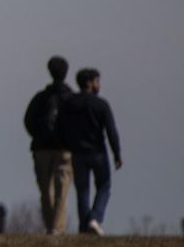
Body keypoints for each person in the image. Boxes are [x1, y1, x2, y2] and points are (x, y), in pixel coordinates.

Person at [58, 68, 122, 236]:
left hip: (77, 152)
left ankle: (84, 225)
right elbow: (111, 130)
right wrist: (117, 153)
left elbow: (61, 126)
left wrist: (66, 144)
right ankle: (95, 218)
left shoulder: (69, 103)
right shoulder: (100, 104)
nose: (98, 85)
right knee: (104, 186)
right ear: (89, 83)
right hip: (98, 152)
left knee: (82, 190)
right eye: (96, 81)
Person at [24, 56, 74, 235]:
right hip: (65, 149)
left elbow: (28, 120)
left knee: (46, 190)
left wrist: (38, 136)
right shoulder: (71, 98)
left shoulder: (40, 97)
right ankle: (57, 227)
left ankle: (50, 224)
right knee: (63, 189)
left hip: (41, 148)